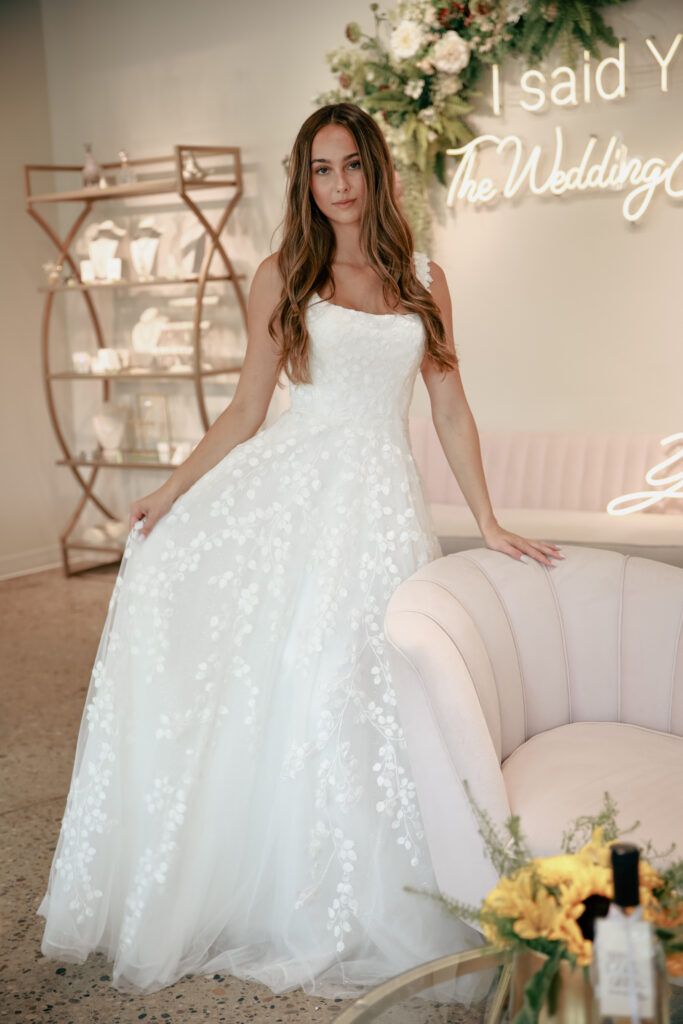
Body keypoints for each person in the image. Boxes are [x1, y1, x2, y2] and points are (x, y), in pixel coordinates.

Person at [37, 102, 562, 999]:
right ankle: (293, 890)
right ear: (304, 181)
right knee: (302, 685)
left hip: (382, 504)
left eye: (353, 165)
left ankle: (377, 889)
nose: (341, 185)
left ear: (378, 171)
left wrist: (488, 521)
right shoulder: (282, 273)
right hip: (296, 495)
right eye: (322, 170)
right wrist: (172, 490)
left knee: (374, 684)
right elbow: (247, 409)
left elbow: (446, 407)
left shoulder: (425, 278)